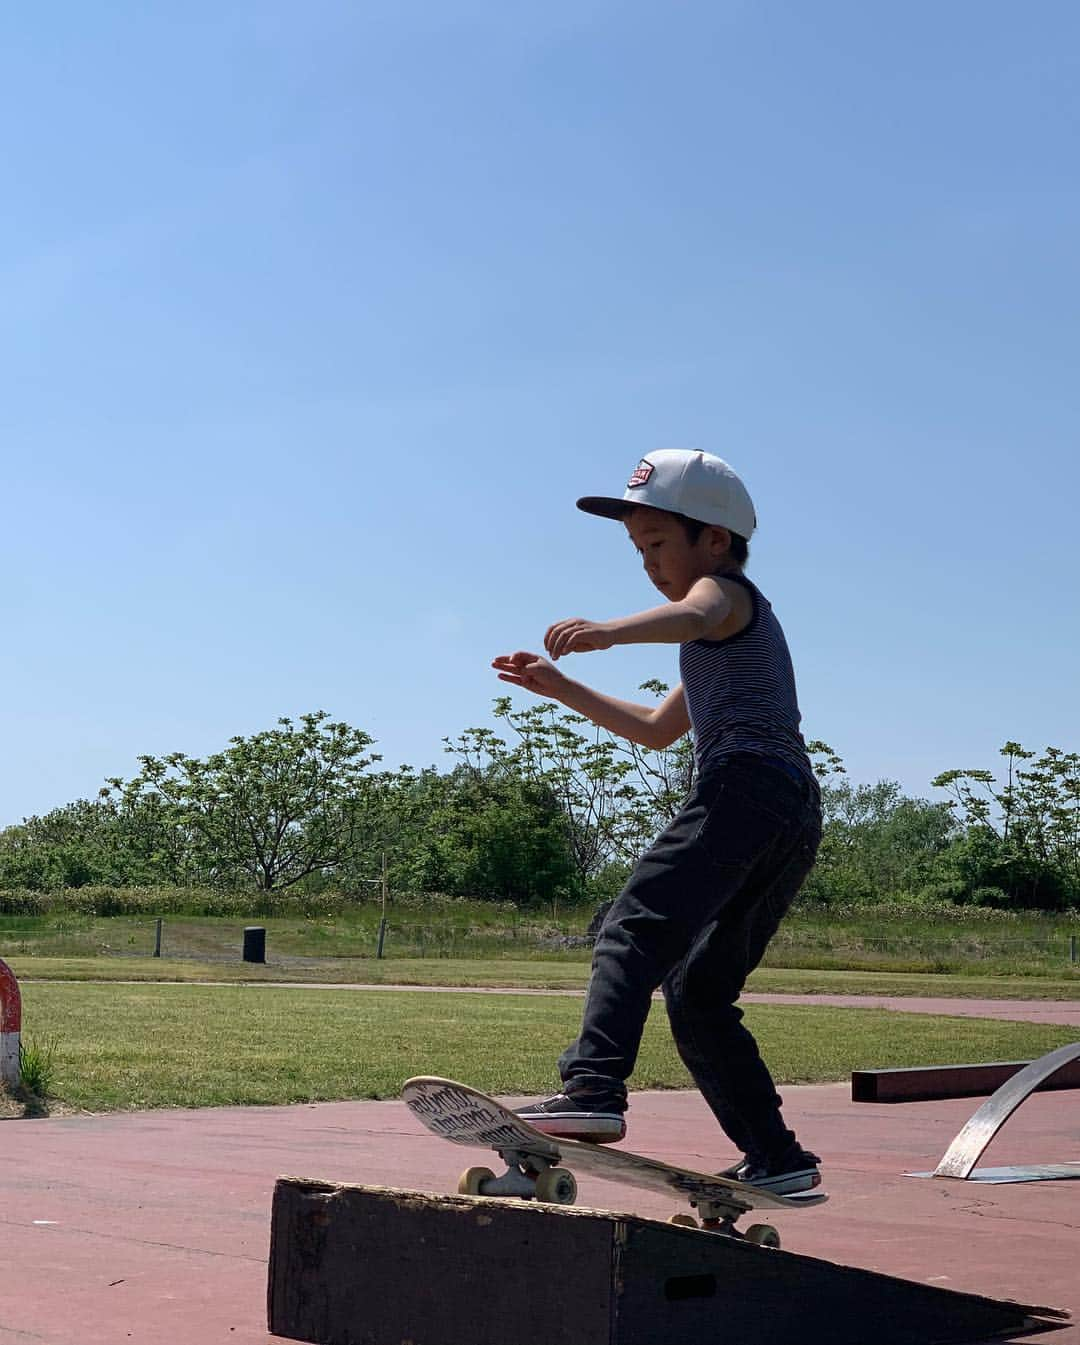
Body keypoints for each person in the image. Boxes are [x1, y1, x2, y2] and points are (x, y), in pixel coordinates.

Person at [491, 448, 823, 1195]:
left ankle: (591, 1091)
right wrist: (562, 687)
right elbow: (655, 729)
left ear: (713, 537)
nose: (647, 564)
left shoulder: (724, 596)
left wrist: (607, 632)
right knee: (699, 990)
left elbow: (697, 610)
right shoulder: (709, 636)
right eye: (637, 550)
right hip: (789, 815)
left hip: (747, 790)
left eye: (657, 544)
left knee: (631, 925)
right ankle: (778, 1155)